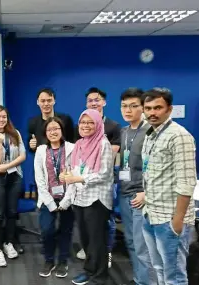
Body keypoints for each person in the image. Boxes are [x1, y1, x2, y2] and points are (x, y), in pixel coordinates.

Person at [141, 88, 196, 285]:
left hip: (169, 218)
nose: (152, 113)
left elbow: (187, 182)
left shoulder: (179, 136)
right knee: (158, 268)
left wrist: (178, 221)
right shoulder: (150, 133)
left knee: (175, 277)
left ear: (169, 109)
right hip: (151, 213)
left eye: (158, 108)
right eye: (148, 108)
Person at [59, 109, 114, 285]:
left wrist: (78, 178)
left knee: (97, 239)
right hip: (80, 198)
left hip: (96, 199)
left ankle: (100, 276)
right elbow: (74, 169)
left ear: (98, 124)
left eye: (91, 122)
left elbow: (104, 174)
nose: (86, 126)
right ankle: (89, 270)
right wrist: (66, 176)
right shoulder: (79, 144)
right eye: (83, 122)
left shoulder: (103, 143)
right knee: (85, 239)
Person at [77, 87, 121, 267]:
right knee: (88, 230)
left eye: (97, 99)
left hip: (102, 186)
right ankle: (92, 258)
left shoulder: (112, 127)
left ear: (104, 102)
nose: (94, 103)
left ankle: (105, 254)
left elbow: (110, 157)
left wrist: (81, 176)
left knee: (104, 225)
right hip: (84, 189)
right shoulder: (82, 132)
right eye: (90, 100)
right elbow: (78, 154)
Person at [118, 88, 155, 285]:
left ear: (142, 107)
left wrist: (145, 193)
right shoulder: (124, 132)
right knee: (131, 241)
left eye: (133, 106)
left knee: (143, 246)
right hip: (124, 193)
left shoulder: (150, 132)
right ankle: (139, 279)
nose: (128, 110)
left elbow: (157, 167)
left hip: (141, 195)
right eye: (124, 106)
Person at [0, 105, 26, 267]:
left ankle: (9, 243)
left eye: (4, 117)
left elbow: (22, 156)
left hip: (15, 176)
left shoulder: (16, 134)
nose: (1, 120)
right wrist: (0, 144)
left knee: (12, 211)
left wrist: (8, 166)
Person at [35, 117, 75, 278]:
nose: (53, 132)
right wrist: (50, 203)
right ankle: (49, 260)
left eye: (56, 128)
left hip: (68, 197)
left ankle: (63, 261)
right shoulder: (41, 150)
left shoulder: (72, 148)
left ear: (62, 130)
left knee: (66, 230)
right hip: (47, 198)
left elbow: (75, 174)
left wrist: (66, 200)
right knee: (47, 230)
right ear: (45, 132)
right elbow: (39, 178)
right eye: (49, 129)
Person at [28, 88, 75, 152]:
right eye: (43, 101)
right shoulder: (33, 123)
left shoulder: (65, 120)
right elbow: (31, 147)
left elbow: (73, 142)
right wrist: (32, 147)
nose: (46, 104)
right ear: (37, 102)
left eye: (49, 100)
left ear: (54, 101)